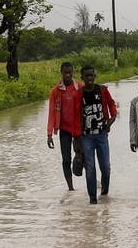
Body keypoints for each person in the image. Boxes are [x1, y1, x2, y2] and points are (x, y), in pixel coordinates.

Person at [71, 64, 118, 204]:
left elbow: (112, 104)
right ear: (82, 78)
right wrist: (76, 139)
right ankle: (92, 200)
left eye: (92, 75)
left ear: (94, 76)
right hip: (86, 137)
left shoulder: (102, 90)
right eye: (87, 76)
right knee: (90, 167)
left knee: (106, 167)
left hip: (102, 134)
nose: (90, 78)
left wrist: (112, 118)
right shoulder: (78, 95)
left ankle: (104, 192)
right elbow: (75, 117)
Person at [46, 61, 82, 191]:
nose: (68, 75)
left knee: (82, 156)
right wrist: (49, 134)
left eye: (70, 73)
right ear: (61, 73)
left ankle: (91, 181)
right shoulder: (55, 91)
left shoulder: (79, 87)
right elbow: (51, 112)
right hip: (64, 130)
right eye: (65, 73)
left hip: (78, 129)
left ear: (73, 73)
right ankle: (71, 188)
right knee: (66, 159)